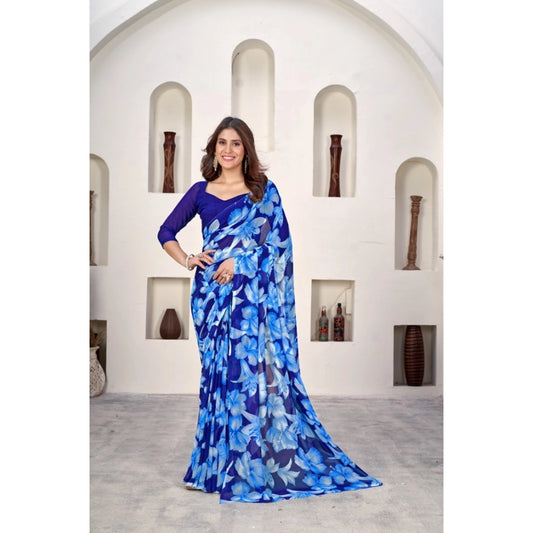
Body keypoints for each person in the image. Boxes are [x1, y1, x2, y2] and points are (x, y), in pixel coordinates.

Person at [158, 116, 382, 503]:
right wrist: (190, 260)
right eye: (222, 143)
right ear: (214, 148)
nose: (228, 150)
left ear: (246, 150)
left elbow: (279, 250)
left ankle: (248, 466)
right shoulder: (200, 191)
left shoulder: (263, 193)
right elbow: (166, 232)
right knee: (216, 380)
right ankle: (211, 469)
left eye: (236, 144)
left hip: (251, 301)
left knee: (248, 379)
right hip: (212, 299)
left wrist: (240, 263)